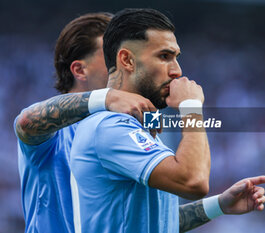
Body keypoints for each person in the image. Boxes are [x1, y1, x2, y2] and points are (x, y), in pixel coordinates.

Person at [70, 8, 265, 233]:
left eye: (176, 58)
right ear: (127, 60)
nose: (177, 71)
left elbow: (156, 222)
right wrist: (191, 107)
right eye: (164, 57)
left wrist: (218, 205)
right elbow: (194, 182)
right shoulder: (110, 127)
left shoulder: (134, 126)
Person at [14, 12, 157, 233]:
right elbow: (26, 121)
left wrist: (217, 205)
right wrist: (107, 97)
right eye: (113, 57)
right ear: (80, 70)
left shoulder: (124, 132)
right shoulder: (54, 135)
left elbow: (147, 221)